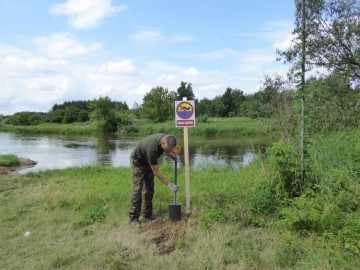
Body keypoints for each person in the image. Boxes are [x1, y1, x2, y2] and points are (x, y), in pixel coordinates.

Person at [129, 133, 179, 227]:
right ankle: (133, 219)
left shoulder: (166, 138)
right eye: (167, 149)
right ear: (162, 143)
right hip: (138, 162)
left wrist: (171, 155)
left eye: (171, 149)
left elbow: (165, 150)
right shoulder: (152, 150)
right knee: (137, 190)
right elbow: (156, 173)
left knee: (149, 189)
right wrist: (170, 185)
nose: (169, 151)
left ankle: (147, 215)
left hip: (148, 161)